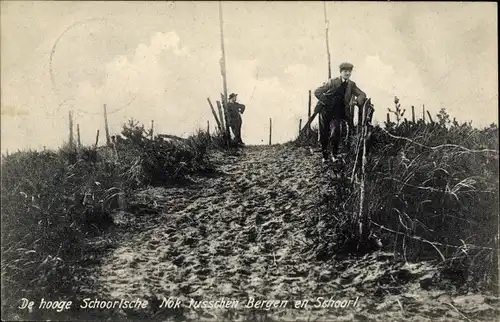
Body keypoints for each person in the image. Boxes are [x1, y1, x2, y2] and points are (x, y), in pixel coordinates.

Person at [314, 62, 367, 163]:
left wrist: (356, 101)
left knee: (336, 132)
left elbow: (362, 94)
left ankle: (334, 154)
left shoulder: (351, 84)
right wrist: (325, 101)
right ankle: (324, 156)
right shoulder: (332, 82)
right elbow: (317, 91)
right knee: (324, 133)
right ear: (341, 72)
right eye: (345, 71)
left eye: (349, 71)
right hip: (325, 111)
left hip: (337, 112)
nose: (347, 73)